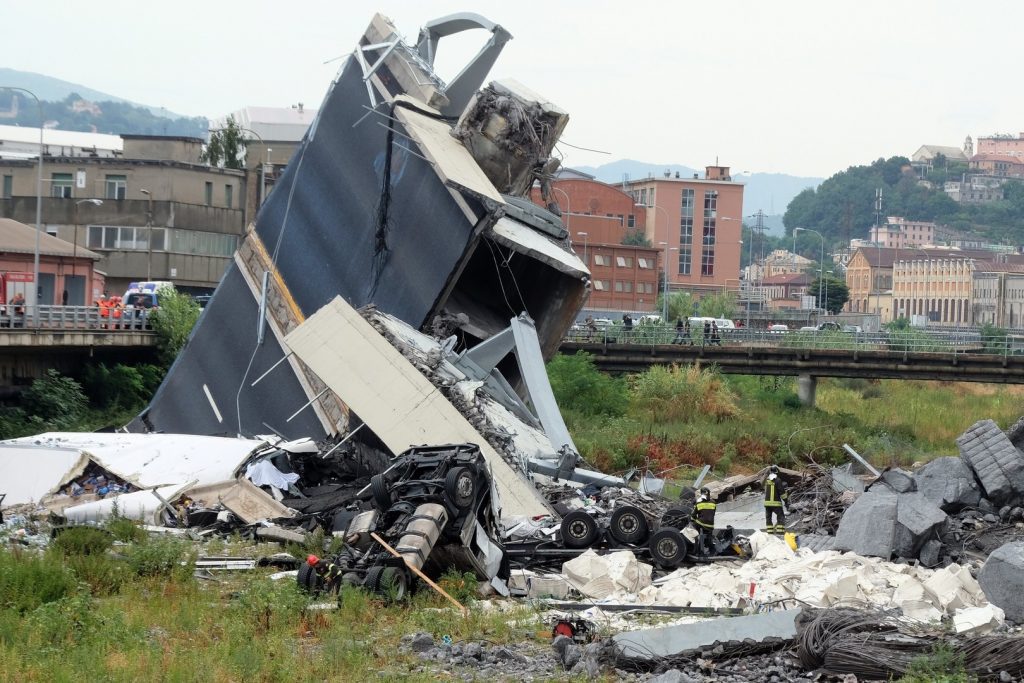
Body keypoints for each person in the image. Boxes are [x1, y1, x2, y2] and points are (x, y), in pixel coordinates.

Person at [763, 465, 789, 534]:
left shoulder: (767, 480)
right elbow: (782, 493)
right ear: (777, 472)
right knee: (781, 516)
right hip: (776, 504)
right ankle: (780, 532)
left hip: (767, 504)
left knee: (768, 518)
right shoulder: (778, 480)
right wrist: (786, 501)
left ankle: (770, 532)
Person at [694, 487, 717, 554]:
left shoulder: (699, 503)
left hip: (701, 524)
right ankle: (710, 548)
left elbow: (693, 516)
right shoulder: (713, 502)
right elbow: (713, 513)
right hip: (711, 525)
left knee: (694, 523)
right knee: (709, 535)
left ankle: (696, 547)